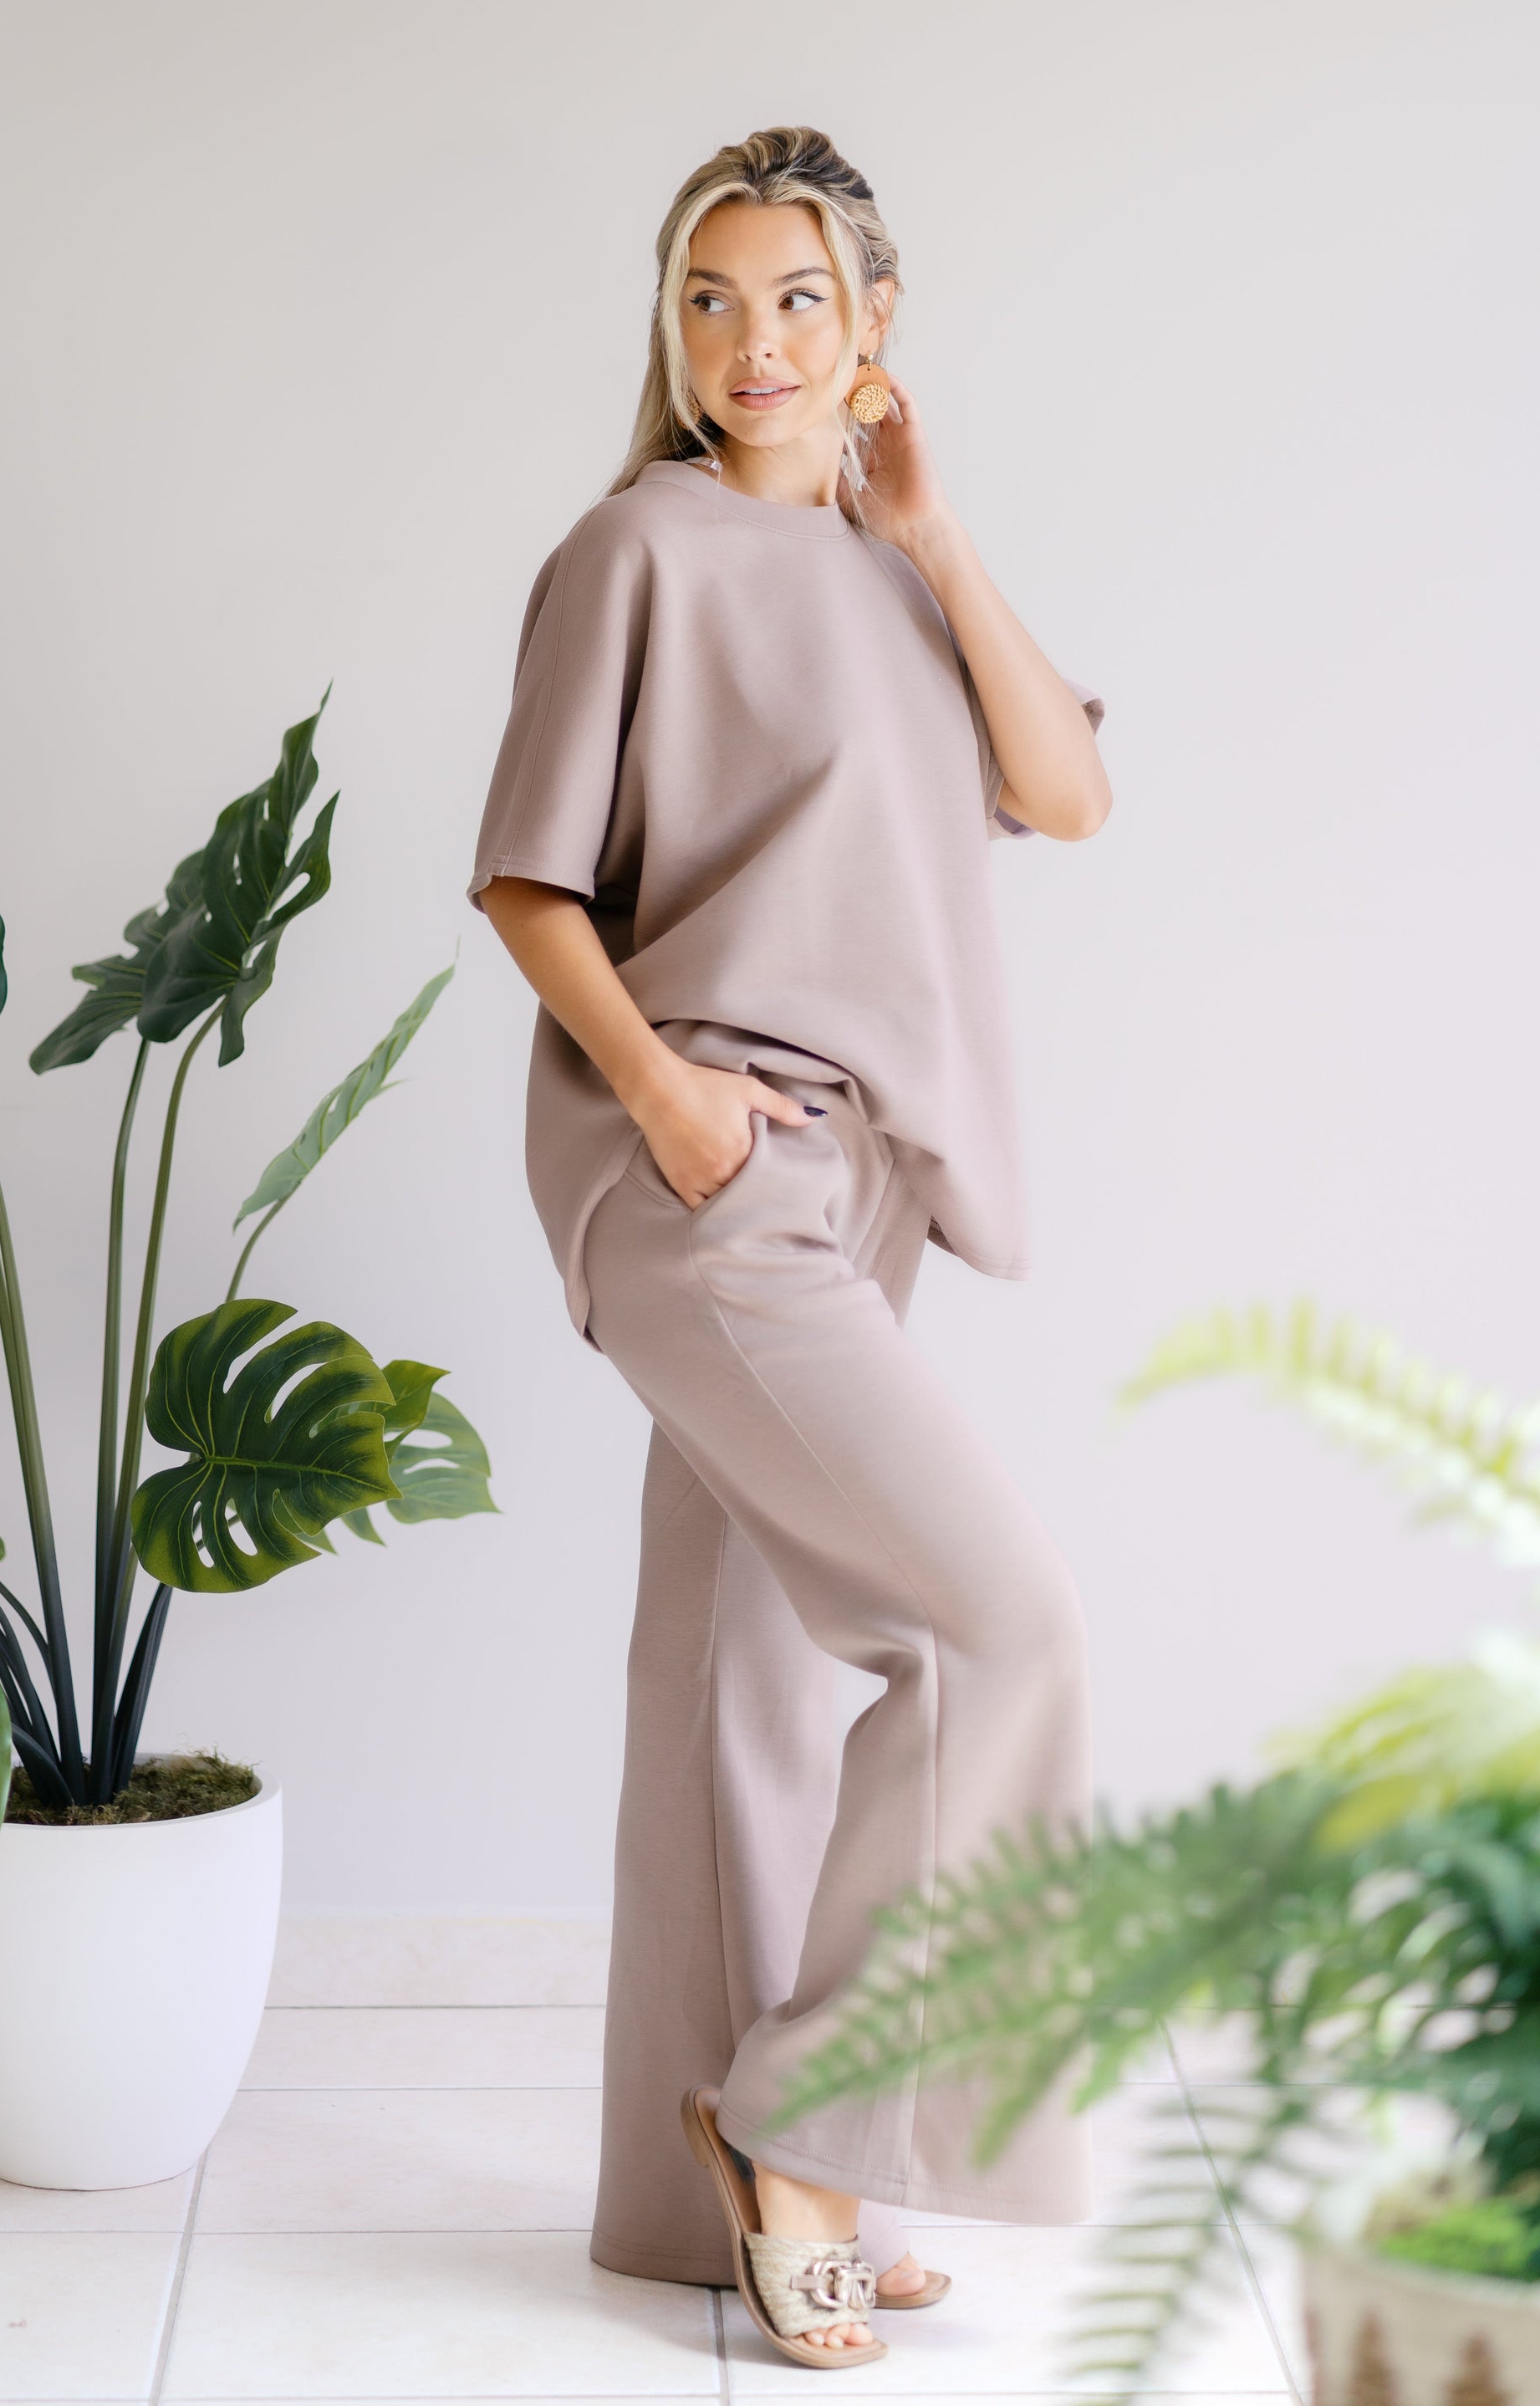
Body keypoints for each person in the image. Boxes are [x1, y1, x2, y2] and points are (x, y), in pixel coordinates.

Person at [469, 125, 1109, 2368]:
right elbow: (529, 877)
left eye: (797, 298)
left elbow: (1064, 793)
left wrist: (933, 533)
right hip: (712, 1171)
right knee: (1000, 1630)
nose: (751, 342)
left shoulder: (901, 573)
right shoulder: (631, 548)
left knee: (730, 1669)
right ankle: (813, 2133)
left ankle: (686, 2206)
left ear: (874, 325)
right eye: (710, 299)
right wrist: (665, 1101)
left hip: (866, 1185)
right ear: (671, 328)